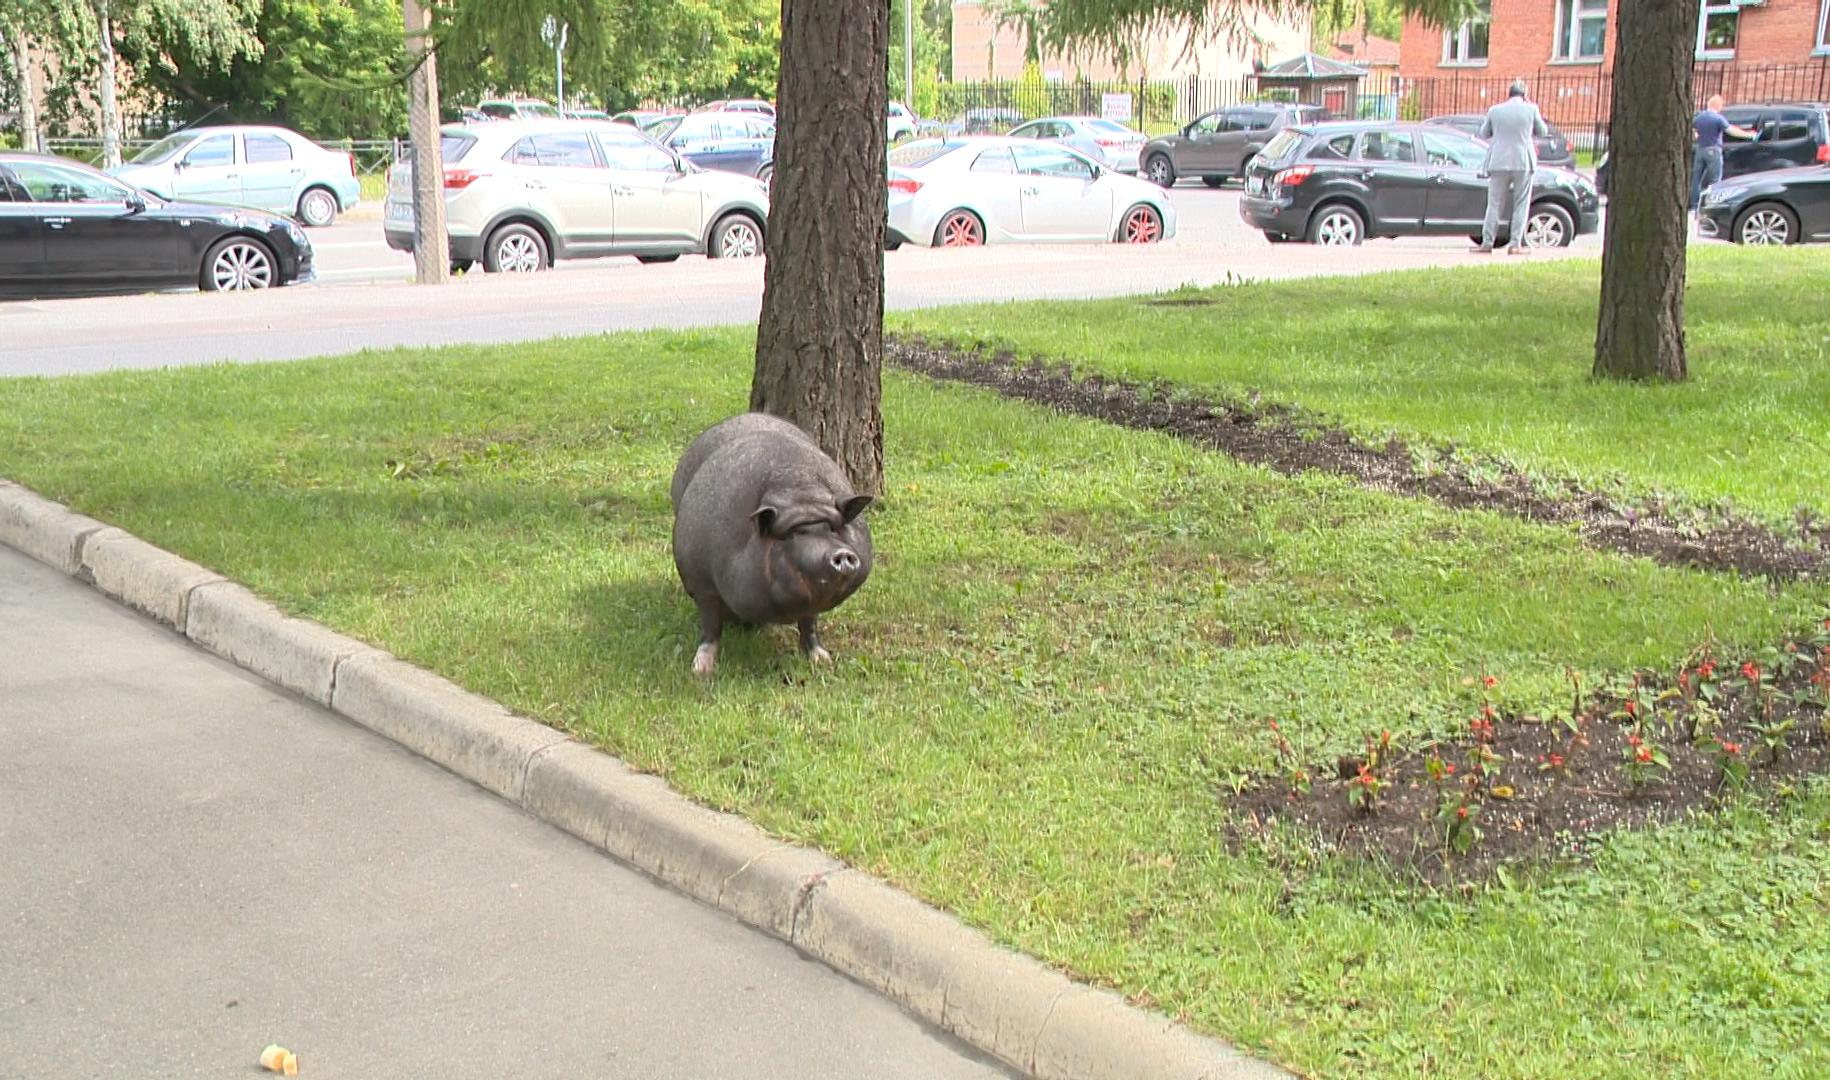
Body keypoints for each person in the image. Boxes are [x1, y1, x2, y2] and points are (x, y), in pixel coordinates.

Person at [1472, 79, 1549, 255]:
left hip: (1498, 161)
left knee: (1494, 204)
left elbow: (1484, 133)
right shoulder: (1531, 109)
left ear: (1509, 93)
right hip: (1523, 161)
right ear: (1525, 95)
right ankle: (1515, 244)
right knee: (1521, 203)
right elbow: (1543, 131)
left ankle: (1487, 242)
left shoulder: (1495, 110)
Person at [1691, 94, 1758, 217]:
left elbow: (1693, 131)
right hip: (1713, 150)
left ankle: (1694, 206)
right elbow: (1731, 131)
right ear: (1718, 105)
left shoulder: (1699, 117)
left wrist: (1698, 137)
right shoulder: (1718, 118)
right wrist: (1750, 135)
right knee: (1715, 180)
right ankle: (1711, 206)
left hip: (1700, 150)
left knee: (1696, 179)